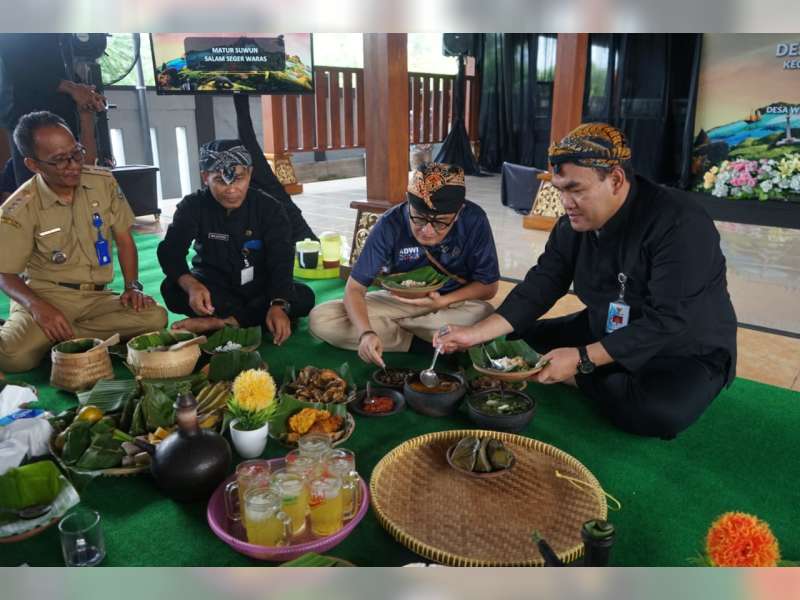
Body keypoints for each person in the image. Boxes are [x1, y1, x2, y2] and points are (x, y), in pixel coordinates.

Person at [435, 123, 738, 439]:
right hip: (606, 325)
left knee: (657, 413)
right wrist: (474, 334)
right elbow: (542, 283)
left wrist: (580, 360)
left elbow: (668, 319)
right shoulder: (572, 226)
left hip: (683, 347)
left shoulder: (680, 222)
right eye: (560, 189)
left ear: (616, 179)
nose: (566, 203)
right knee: (513, 343)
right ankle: (599, 370)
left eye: (576, 189)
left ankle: (584, 375)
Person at [0, 111, 167, 373]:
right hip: (46, 296)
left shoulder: (103, 182)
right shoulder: (20, 208)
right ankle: (40, 332)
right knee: (12, 357)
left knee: (155, 317)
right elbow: (5, 274)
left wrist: (132, 287)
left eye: (76, 153)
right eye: (60, 160)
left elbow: (124, 239)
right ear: (33, 164)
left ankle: (57, 339)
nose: (74, 165)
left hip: (96, 298)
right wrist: (38, 307)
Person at [309, 162, 500, 366]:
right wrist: (365, 333)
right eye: (418, 218)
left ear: (459, 212)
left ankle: (403, 331)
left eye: (440, 222)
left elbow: (489, 287)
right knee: (322, 319)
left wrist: (442, 302)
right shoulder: (390, 223)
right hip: (399, 302)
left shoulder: (474, 220)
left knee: (483, 315)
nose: (427, 230)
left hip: (453, 303)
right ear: (409, 205)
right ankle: (425, 342)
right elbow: (354, 288)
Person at [157, 140, 315, 343]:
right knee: (171, 288)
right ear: (206, 177)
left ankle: (220, 323)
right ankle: (245, 319)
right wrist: (191, 285)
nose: (231, 190)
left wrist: (277, 304)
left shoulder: (270, 208)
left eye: (238, 179)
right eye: (220, 181)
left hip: (259, 288)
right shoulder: (192, 206)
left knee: (304, 296)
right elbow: (171, 252)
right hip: (213, 287)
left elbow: (281, 260)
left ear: (249, 174)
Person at [0, 34, 106, 186]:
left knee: (74, 180)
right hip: (28, 117)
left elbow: (62, 69)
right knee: (41, 189)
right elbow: (19, 69)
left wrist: (85, 91)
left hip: (63, 115)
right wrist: (72, 88)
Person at [232, 93, 316, 243]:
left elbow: (247, 134)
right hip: (290, 231)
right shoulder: (237, 189)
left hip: (294, 233)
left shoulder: (258, 180)